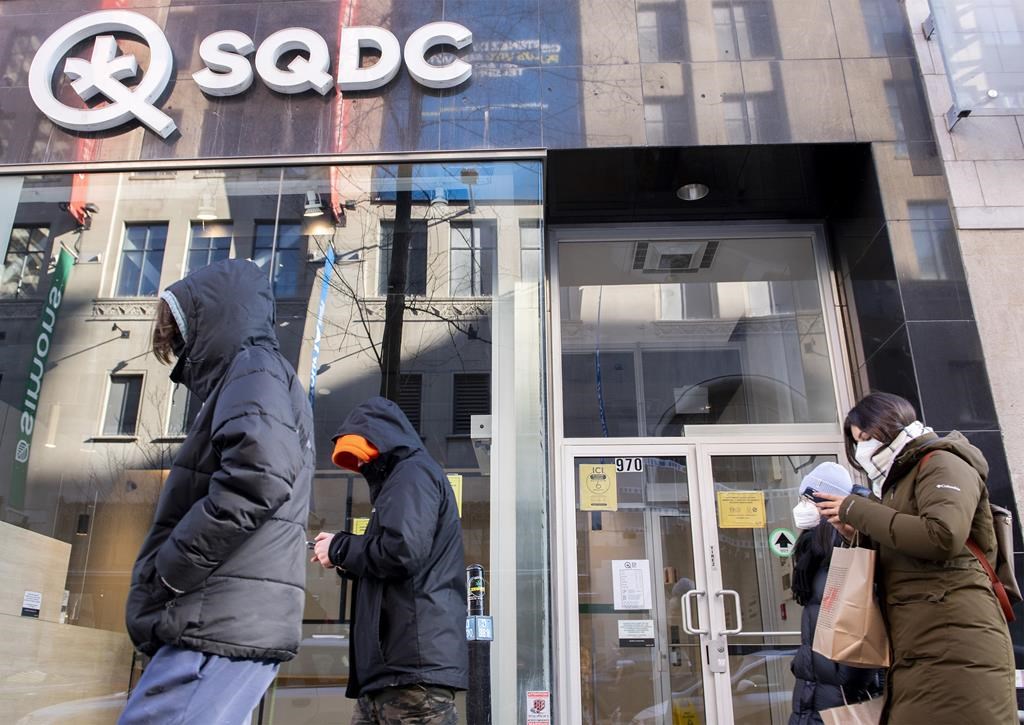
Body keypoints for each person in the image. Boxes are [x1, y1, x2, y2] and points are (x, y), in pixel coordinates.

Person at [120, 259, 314, 724]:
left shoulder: (254, 368)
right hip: (224, 619)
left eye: (179, 333)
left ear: (209, 320)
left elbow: (259, 475)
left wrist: (171, 569)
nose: (176, 348)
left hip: (213, 620)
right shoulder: (258, 373)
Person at [815, 392, 1015, 723]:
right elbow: (906, 547)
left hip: (954, 641)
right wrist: (855, 532)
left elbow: (942, 536)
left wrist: (857, 509)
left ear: (890, 424)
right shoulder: (896, 482)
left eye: (866, 437)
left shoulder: (942, 462)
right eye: (857, 441)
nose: (863, 449)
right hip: (920, 643)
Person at [311, 396, 468, 724]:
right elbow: (395, 556)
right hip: (395, 672)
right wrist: (343, 555)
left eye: (359, 452)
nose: (359, 465)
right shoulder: (404, 479)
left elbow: (401, 552)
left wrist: (341, 548)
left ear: (381, 439)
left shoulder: (411, 473)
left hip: (410, 671)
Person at [789, 465, 881, 724]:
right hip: (817, 687)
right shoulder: (815, 554)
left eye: (808, 499)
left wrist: (847, 682)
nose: (802, 506)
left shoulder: (849, 547)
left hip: (840, 696)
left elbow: (862, 630)